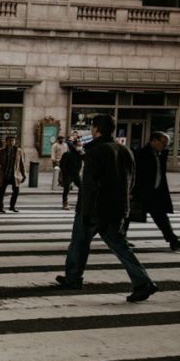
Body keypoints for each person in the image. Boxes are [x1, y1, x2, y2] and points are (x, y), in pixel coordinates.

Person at [55, 114, 157, 303]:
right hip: (117, 208)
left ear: (96, 129)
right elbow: (132, 181)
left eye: (92, 127)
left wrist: (85, 211)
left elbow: (90, 186)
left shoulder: (96, 152)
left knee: (79, 243)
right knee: (120, 246)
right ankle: (143, 282)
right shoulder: (124, 150)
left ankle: (73, 278)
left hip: (94, 209)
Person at [125, 132, 180, 251]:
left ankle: (173, 240)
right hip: (141, 191)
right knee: (128, 215)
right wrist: (130, 190)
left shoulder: (160, 155)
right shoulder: (140, 154)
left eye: (166, 144)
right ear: (154, 141)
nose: (165, 146)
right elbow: (133, 174)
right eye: (163, 143)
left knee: (161, 218)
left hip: (155, 193)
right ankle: (120, 238)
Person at [0, 135, 26, 212]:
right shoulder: (0, 151)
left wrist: (24, 174)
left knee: (16, 191)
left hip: (14, 175)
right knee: (1, 191)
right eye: (10, 141)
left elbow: (21, 164)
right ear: (6, 142)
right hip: (4, 175)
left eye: (13, 141)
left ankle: (12, 206)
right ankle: (0, 207)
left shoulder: (19, 151)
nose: (11, 142)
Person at [59, 137, 83, 211]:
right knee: (66, 189)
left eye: (81, 145)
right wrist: (64, 173)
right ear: (75, 146)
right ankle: (65, 203)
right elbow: (62, 164)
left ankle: (81, 202)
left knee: (82, 187)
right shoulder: (67, 154)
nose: (80, 147)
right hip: (68, 174)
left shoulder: (80, 155)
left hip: (76, 174)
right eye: (78, 145)